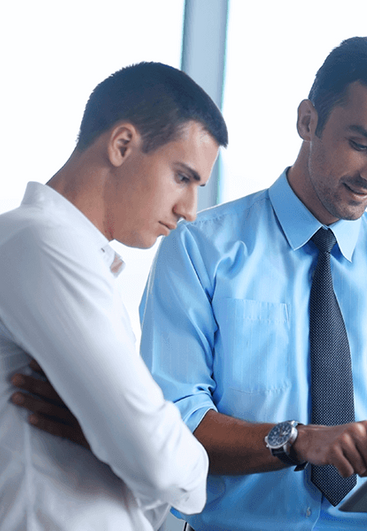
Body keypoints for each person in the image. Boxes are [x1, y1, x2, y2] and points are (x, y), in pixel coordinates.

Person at [138, 37, 367, 530]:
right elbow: (170, 421)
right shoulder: (201, 252)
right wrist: (297, 440)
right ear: (308, 121)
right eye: (361, 144)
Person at [1, 62, 228, 530]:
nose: (189, 211)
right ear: (122, 145)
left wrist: (113, 436)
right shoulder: (42, 244)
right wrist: (136, 444)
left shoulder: (73, 255)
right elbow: (162, 466)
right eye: (182, 177)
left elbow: (150, 469)